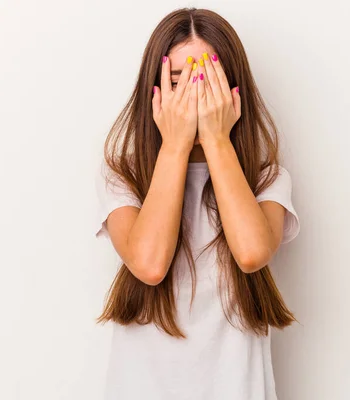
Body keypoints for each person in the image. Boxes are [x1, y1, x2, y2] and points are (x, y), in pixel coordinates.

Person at [94, 7, 301, 400]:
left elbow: (252, 253)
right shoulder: (122, 175)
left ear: (231, 90)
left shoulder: (267, 180)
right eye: (178, 82)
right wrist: (173, 144)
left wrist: (217, 140)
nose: (193, 96)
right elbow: (150, 264)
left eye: (207, 82)